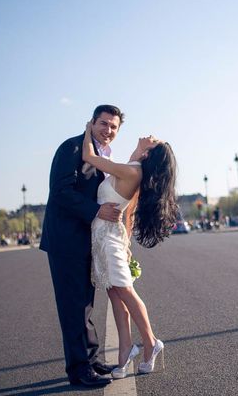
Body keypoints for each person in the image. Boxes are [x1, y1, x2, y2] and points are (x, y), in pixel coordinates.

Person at [82, 119, 178, 378]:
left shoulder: (132, 172)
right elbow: (129, 214)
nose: (150, 134)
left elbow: (88, 156)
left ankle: (150, 342)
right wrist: (127, 245)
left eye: (153, 139)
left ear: (148, 153)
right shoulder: (132, 168)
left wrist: (89, 127)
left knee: (124, 290)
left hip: (108, 238)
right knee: (115, 294)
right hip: (106, 237)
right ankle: (125, 352)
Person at [40, 105, 124, 387]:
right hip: (66, 240)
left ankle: (89, 359)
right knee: (73, 305)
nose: (108, 130)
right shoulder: (72, 148)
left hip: (85, 239)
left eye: (113, 127)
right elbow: (61, 192)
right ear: (91, 122)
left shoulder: (100, 154)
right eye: (103, 123)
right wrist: (97, 211)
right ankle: (78, 369)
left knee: (85, 304)